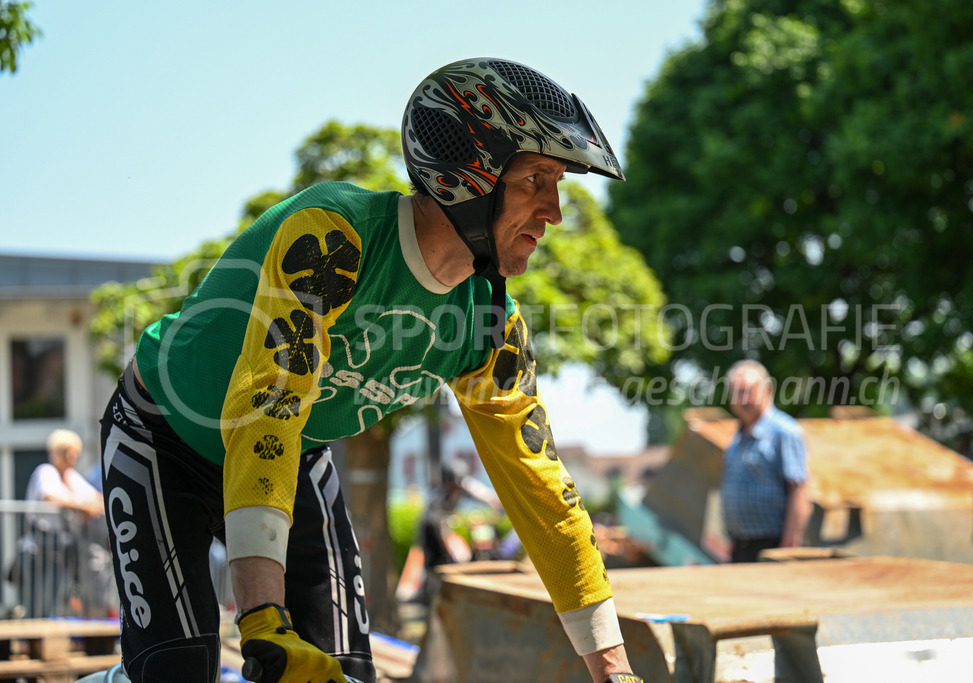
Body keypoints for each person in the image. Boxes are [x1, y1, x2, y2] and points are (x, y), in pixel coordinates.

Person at [97, 57, 643, 683]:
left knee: (344, 673)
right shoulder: (335, 234)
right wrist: (263, 620)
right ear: (467, 176)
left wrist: (614, 670)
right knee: (180, 673)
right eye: (536, 180)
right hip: (165, 439)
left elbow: (540, 487)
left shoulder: (490, 323)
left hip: (292, 452)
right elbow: (267, 406)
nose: (555, 211)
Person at [720, 361, 811, 563]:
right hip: (741, 548)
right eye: (736, 393)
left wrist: (788, 549)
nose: (742, 399)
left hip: (772, 547)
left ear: (767, 390)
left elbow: (799, 491)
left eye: (748, 392)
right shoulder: (736, 438)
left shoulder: (785, 433)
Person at [13, 429, 104, 617]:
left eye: (76, 453)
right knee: (38, 598)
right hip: (40, 545)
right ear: (58, 453)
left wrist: (85, 506)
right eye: (70, 452)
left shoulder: (71, 477)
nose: (74, 457)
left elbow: (97, 499)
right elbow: (50, 496)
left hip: (60, 547)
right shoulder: (45, 471)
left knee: (55, 596)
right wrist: (81, 506)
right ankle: (32, 636)